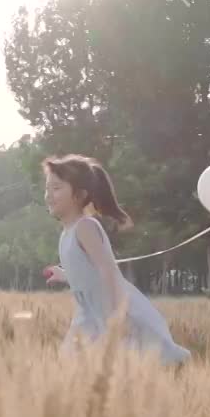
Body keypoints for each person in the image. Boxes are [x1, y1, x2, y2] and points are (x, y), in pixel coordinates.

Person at [42, 154, 191, 366]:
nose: (48, 195)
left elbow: (108, 272)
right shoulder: (66, 233)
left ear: (79, 194)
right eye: (47, 188)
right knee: (72, 362)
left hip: (111, 309)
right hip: (89, 314)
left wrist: (117, 316)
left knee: (130, 361)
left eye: (56, 188)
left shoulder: (85, 228)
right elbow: (88, 276)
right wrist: (64, 275)